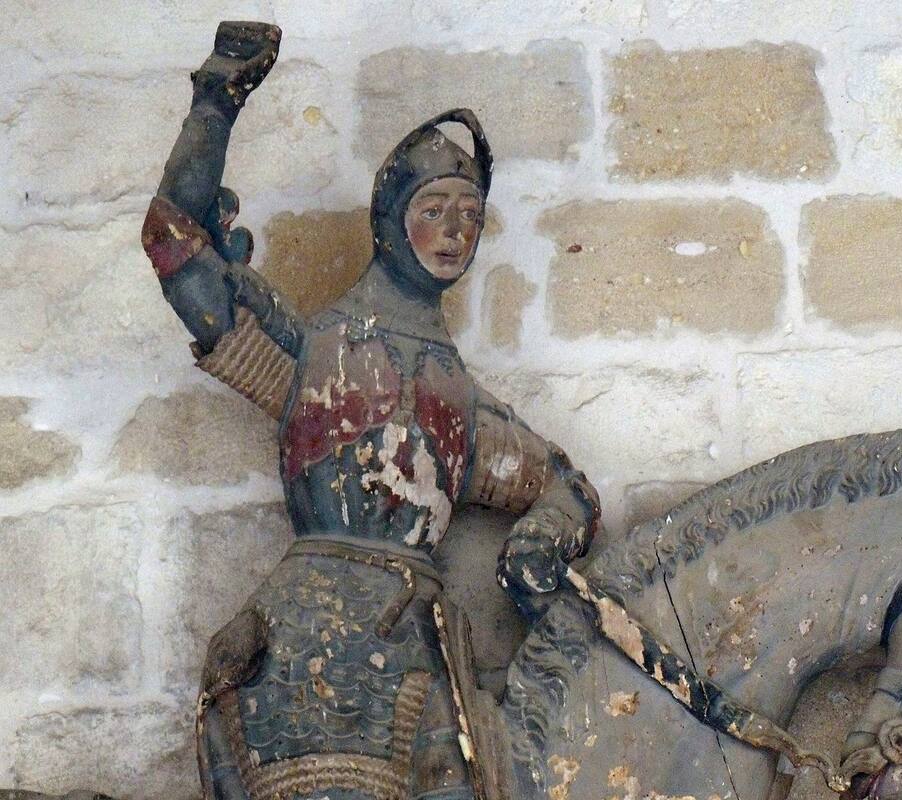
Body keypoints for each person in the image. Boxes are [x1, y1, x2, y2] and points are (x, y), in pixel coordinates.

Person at [141, 21, 600, 800]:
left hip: (424, 655)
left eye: (471, 214)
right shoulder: (310, 349)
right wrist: (217, 99)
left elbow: (564, 484)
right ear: (390, 217)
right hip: (305, 646)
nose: (456, 231)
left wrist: (540, 546)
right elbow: (172, 239)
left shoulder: (462, 400)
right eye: (436, 208)